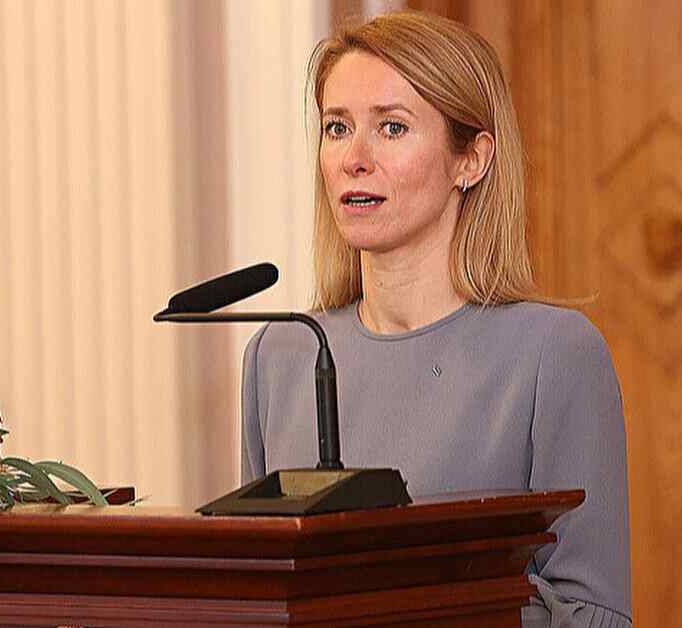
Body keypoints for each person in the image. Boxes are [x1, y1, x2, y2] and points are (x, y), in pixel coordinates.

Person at [240, 11, 631, 628]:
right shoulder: (279, 354)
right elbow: (258, 587)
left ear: (470, 160)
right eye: (337, 128)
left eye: (392, 127)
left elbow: (594, 615)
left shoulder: (554, 352)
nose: (354, 158)